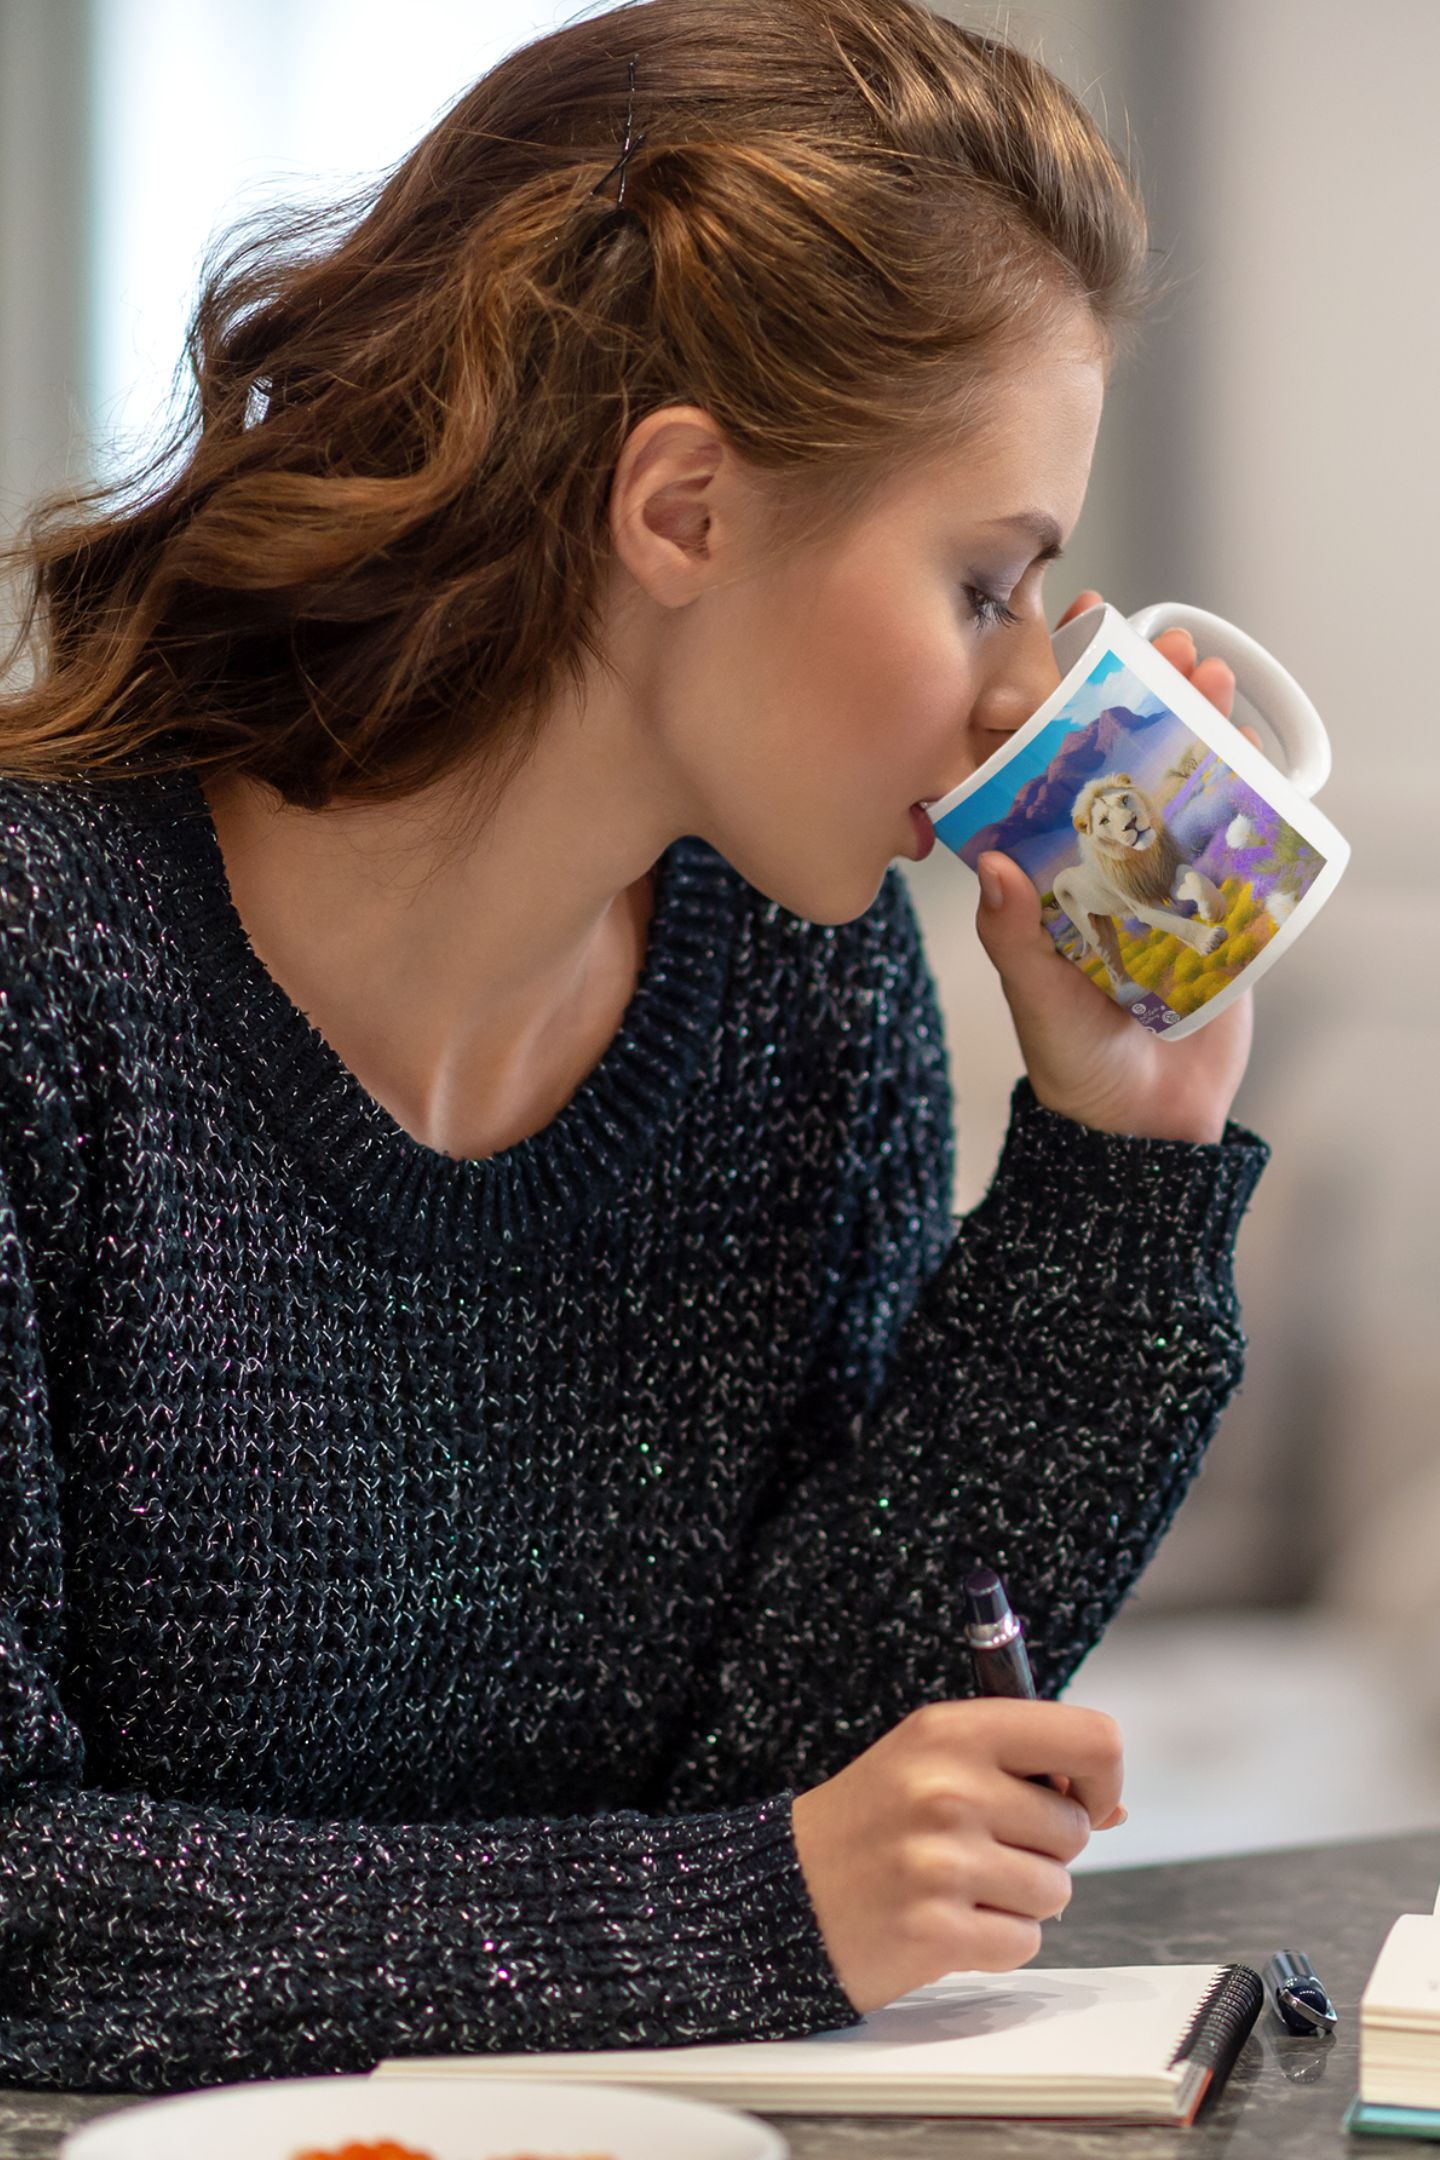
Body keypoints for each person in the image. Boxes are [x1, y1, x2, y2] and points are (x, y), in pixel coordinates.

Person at [0, 0, 1269, 2094]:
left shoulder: (806, 991)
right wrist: (740, 1909)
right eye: (986, 583)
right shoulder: (49, 976)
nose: (1020, 696)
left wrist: (1121, 1165)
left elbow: (833, 1788)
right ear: (680, 508)